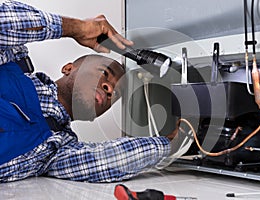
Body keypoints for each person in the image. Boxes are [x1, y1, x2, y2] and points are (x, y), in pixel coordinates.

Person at [0, 0, 182, 183]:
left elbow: (105, 160)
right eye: (104, 74)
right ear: (68, 68)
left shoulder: (57, 149)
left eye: (116, 95)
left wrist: (169, 144)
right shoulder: (11, 59)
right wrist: (77, 28)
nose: (109, 88)